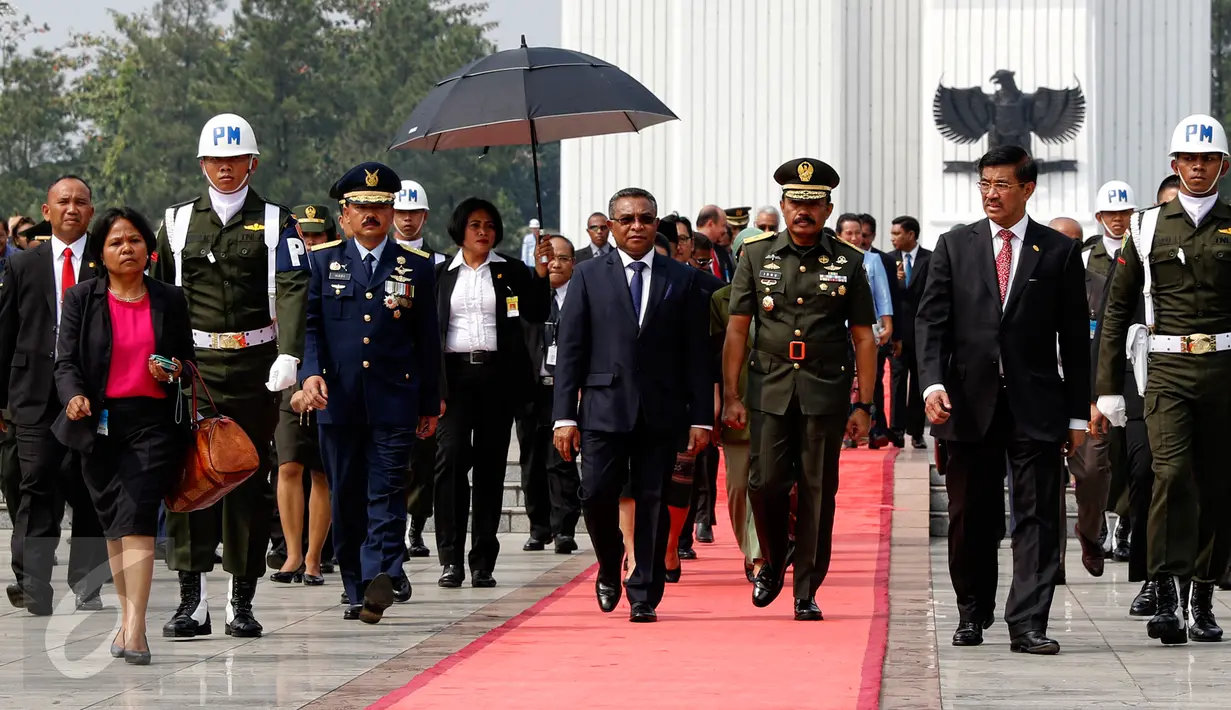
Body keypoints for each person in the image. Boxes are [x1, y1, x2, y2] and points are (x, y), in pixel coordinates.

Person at [916, 145, 1089, 655]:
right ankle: (972, 611)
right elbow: (931, 323)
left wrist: (1078, 413)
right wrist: (932, 385)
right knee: (971, 514)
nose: (992, 194)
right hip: (967, 403)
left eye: (1003, 185)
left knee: (1038, 516)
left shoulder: (1056, 251)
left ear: (1028, 188)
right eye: (985, 184)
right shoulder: (954, 245)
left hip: (1037, 405)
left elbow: (1075, 340)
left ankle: (1028, 622)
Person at [151, 113, 311, 639]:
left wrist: (289, 353)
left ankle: (240, 599)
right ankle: (190, 600)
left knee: (245, 478)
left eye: (235, 159)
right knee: (190, 478)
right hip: (194, 369)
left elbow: (291, 285)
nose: (225, 168)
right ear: (202, 164)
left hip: (253, 369)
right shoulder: (175, 223)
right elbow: (159, 297)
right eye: (216, 160)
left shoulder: (276, 221)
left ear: (252, 162)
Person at [1095, 113, 1231, 645]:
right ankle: (1167, 590)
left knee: (1218, 485)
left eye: (1208, 159)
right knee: (1170, 475)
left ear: (1223, 165)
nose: (1197, 169)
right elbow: (1116, 309)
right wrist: (1107, 388)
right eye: (1188, 160)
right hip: (1167, 370)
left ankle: (1203, 593)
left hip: (1223, 370)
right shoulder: (1146, 226)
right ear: (1174, 165)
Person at [723, 158, 876, 621]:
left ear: (828, 209)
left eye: (813, 203)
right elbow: (736, 329)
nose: (803, 211)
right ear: (784, 206)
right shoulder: (756, 254)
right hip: (769, 386)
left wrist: (864, 404)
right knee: (764, 482)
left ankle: (806, 590)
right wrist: (731, 395)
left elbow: (864, 336)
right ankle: (772, 558)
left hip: (824, 390)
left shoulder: (849, 262)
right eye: (795, 202)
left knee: (816, 491)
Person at [553, 187, 711, 623]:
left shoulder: (680, 278)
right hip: (603, 407)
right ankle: (608, 565)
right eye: (626, 219)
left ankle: (644, 590)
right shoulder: (587, 274)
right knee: (597, 494)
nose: (636, 226)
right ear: (611, 225)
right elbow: (570, 350)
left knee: (654, 500)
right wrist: (564, 416)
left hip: (661, 410)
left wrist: (701, 417)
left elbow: (696, 354)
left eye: (644, 218)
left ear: (656, 224)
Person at [299, 162, 440, 623]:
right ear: (344, 214)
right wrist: (310, 374)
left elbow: (427, 340)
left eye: (381, 206)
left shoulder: (417, 267)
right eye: (362, 206)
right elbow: (311, 328)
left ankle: (381, 572)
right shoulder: (323, 261)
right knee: (346, 495)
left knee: (387, 491)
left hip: (394, 399)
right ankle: (356, 588)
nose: (372, 215)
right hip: (337, 400)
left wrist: (430, 401)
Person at [53, 206, 194, 664]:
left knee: (137, 517)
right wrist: (73, 395)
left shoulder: (169, 299)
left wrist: (171, 368)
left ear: (149, 250)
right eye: (115, 242)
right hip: (99, 424)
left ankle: (136, 630)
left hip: (152, 423)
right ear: (101, 253)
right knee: (115, 525)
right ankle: (126, 619)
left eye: (133, 239)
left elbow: (189, 363)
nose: (126, 248)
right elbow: (66, 362)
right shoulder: (81, 299)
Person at [0, 176, 108, 616]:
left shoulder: (106, 263)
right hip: (33, 394)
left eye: (80, 202)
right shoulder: (25, 264)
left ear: (91, 212)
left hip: (89, 393)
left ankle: (88, 582)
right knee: (36, 483)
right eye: (62, 202)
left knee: (88, 486)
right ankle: (32, 583)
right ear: (46, 211)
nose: (71, 209)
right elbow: (6, 331)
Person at [435, 197, 551, 588]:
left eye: (489, 225)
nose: (483, 232)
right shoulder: (441, 274)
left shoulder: (511, 271)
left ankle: (483, 559)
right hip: (453, 378)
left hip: (497, 379)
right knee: (449, 462)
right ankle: (450, 558)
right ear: (460, 231)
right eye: (474, 225)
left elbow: (536, 311)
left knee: (490, 470)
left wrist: (541, 273)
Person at [269, 204, 338, 588]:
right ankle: (292, 553)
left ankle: (314, 557)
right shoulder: (278, 269)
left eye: (317, 235)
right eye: (303, 236)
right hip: (287, 377)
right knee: (288, 465)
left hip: (327, 378)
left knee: (321, 471)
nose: (310, 243)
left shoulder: (337, 270)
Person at [515, 235, 582, 553]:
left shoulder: (581, 298)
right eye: (549, 257)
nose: (555, 263)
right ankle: (538, 527)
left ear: (573, 263)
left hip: (564, 391)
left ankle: (564, 528)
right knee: (531, 462)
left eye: (564, 258)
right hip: (530, 390)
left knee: (562, 461)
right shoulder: (529, 297)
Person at [390, 179, 441, 560]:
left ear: (424, 216)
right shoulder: (382, 257)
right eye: (401, 213)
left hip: (424, 368)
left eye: (414, 214)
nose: (407, 221)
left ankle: (416, 526)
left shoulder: (438, 264)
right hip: (391, 370)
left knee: (423, 460)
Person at [710, 243, 761, 582]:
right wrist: (715, 407)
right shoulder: (720, 300)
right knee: (738, 486)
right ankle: (748, 548)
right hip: (736, 407)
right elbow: (712, 357)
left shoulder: (781, 297)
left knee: (768, 484)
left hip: (775, 405)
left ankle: (760, 555)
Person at [836, 213, 893, 449]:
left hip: (866, 331)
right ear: (839, 235)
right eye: (848, 232)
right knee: (842, 380)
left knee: (867, 380)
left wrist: (888, 323)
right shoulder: (832, 260)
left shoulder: (872, 260)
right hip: (838, 332)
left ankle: (867, 426)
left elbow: (882, 293)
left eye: (858, 232)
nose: (854, 237)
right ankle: (840, 430)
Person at [888, 216, 930, 449]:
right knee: (897, 381)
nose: (893, 238)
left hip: (922, 332)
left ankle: (916, 432)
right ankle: (896, 431)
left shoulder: (930, 258)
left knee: (918, 384)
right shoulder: (888, 260)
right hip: (898, 334)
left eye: (897, 234)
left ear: (911, 235)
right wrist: (896, 282)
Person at [696, 205, 733, 281]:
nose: (725, 230)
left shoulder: (722, 252)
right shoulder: (690, 250)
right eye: (723, 225)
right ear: (710, 224)